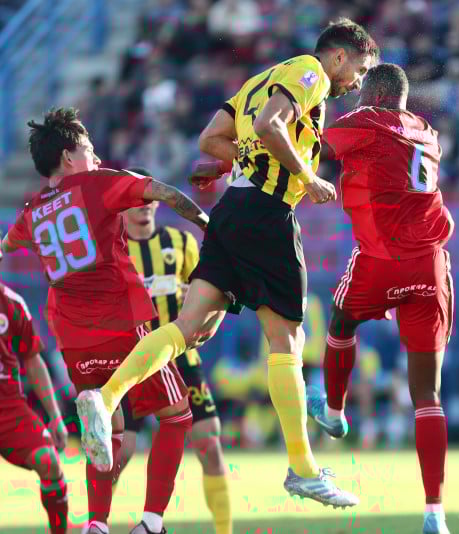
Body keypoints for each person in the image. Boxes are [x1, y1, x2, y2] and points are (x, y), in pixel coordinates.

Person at [77, 18, 380, 507]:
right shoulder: (312, 73)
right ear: (340, 56)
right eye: (360, 70)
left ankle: (106, 396)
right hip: (267, 215)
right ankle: (302, 468)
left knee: (192, 325)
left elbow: (213, 138)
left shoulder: (262, 78)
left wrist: (233, 162)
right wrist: (310, 178)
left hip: (232, 210)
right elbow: (268, 126)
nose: (358, 82)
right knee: (286, 338)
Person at [0, 107, 209, 534]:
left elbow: (5, 245)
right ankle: (151, 523)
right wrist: (209, 224)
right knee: (177, 415)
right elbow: (164, 193)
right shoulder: (96, 184)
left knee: (109, 428)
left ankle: (96, 524)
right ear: (68, 156)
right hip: (123, 327)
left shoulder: (31, 212)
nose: (96, 157)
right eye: (89, 149)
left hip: (75, 343)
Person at [302, 63, 455, 534]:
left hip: (380, 258)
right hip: (430, 262)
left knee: (341, 324)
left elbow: (315, 145)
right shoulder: (426, 131)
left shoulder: (364, 120)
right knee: (427, 394)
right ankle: (434, 512)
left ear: (369, 93)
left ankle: (333, 412)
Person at [115, 167, 231, 534]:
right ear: (121, 208)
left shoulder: (181, 243)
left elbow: (211, 288)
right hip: (134, 361)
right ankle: (96, 524)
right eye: (136, 201)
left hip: (182, 358)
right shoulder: (113, 250)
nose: (144, 206)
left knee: (210, 444)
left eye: (149, 200)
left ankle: (224, 530)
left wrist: (204, 317)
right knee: (121, 452)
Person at [0, 281, 69, 533]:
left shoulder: (12, 303)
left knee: (48, 460)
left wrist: (55, 416)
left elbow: (32, 358)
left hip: (8, 408)